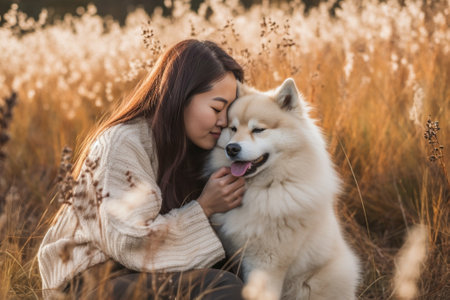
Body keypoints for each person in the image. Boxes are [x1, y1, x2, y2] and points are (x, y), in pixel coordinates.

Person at [38, 39, 246, 300]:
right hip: (89, 283)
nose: (224, 120)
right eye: (217, 107)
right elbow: (130, 241)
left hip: (140, 275)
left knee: (246, 270)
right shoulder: (122, 143)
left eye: (230, 110)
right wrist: (205, 208)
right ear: (181, 96)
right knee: (223, 286)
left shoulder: (198, 148)